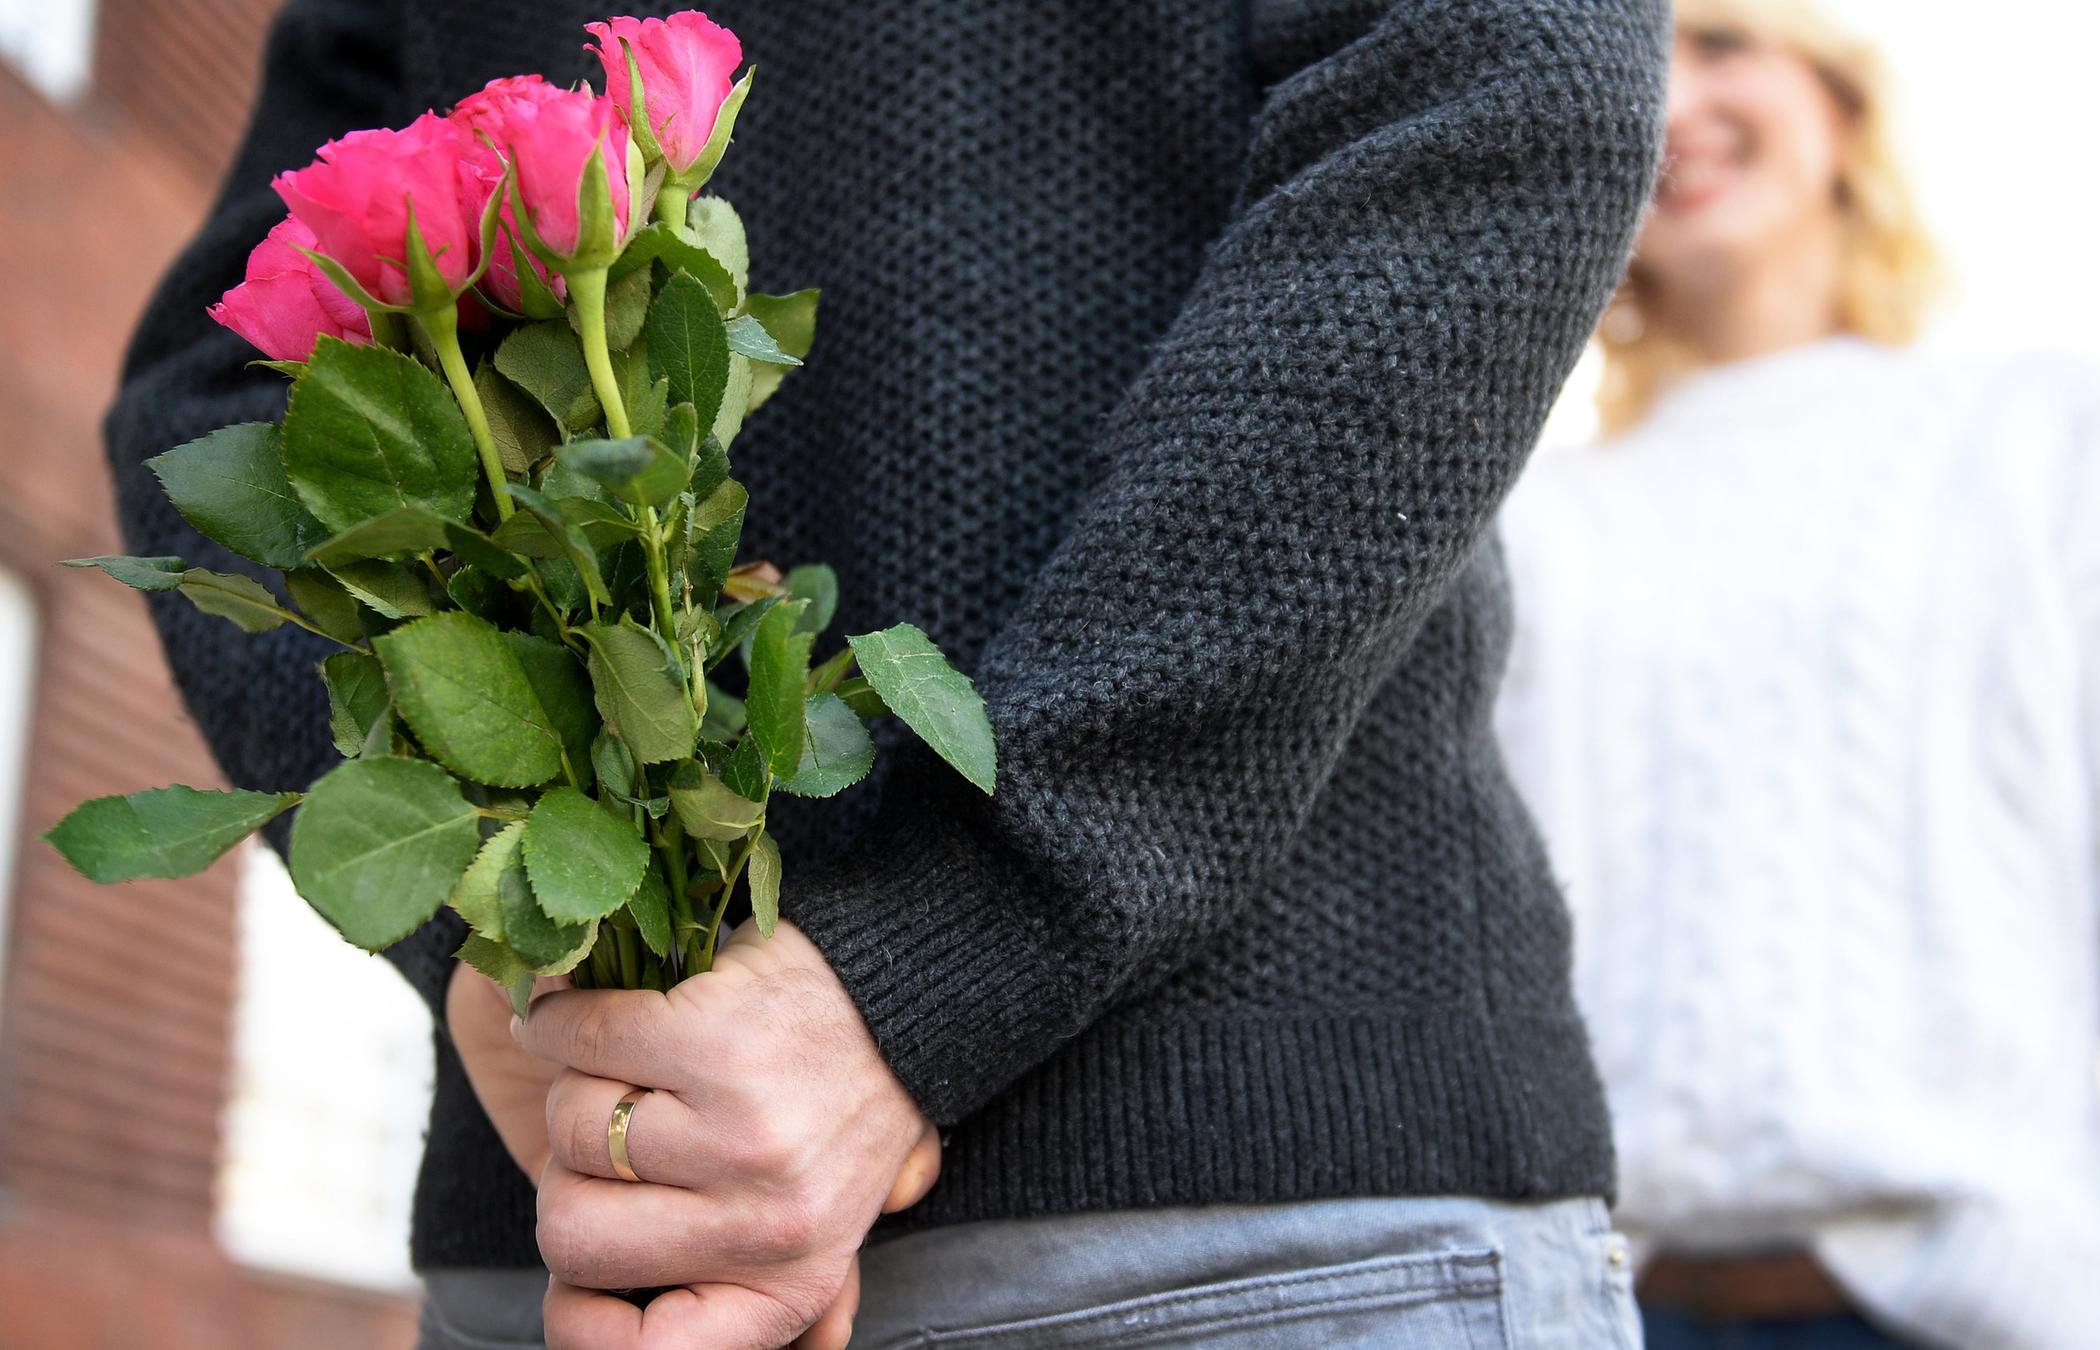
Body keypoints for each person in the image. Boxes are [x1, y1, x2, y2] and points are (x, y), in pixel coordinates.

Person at [102, 1, 1670, 1346]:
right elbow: (236, 373)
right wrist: (523, 955)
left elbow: (1502, 102)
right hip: (651, 1231)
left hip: (1226, 1215)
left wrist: (924, 971)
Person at [1494, 1, 2100, 1347]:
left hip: (1984, 1311)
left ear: (1842, 108)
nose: (1670, 103)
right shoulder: (1536, 527)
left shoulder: (2052, 438)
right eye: (1632, 65)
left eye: (1717, 44)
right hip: (1615, 1312)